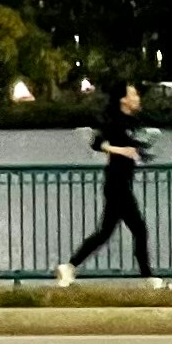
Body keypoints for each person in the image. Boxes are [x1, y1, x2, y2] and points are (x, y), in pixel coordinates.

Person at [55, 80, 152, 285]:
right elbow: (97, 143)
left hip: (120, 183)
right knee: (139, 229)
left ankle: (69, 267)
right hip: (116, 184)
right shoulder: (115, 121)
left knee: (104, 233)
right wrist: (120, 150)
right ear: (123, 99)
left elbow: (134, 145)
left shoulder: (130, 122)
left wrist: (141, 151)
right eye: (133, 94)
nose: (137, 98)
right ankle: (148, 279)